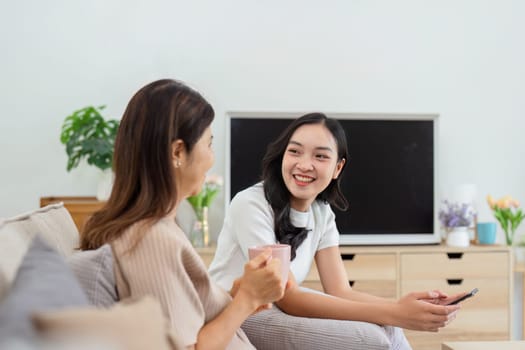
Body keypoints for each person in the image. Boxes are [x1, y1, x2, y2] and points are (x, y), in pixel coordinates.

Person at [209, 112, 463, 350]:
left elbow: (341, 291)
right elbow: (287, 297)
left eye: (320, 156)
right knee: (373, 339)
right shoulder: (251, 204)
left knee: (391, 329)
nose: (304, 165)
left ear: (337, 168)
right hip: (238, 312)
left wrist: (404, 307)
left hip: (276, 306)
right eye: (295, 151)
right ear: (283, 156)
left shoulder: (322, 213)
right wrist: (397, 313)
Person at [80, 79, 285, 350]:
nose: (212, 158)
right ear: (177, 151)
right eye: (209, 145)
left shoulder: (158, 228)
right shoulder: (152, 239)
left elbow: (184, 312)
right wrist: (247, 299)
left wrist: (234, 295)